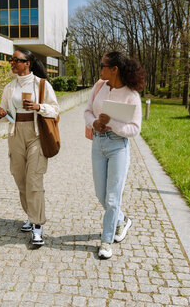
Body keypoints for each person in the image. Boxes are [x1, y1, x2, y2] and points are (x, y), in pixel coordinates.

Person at [0, 49, 59, 246]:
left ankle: (38, 225)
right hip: (15, 133)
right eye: (11, 60)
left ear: (28, 63)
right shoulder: (9, 87)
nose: (12, 63)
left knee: (34, 179)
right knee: (20, 178)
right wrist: (1, 113)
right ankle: (30, 215)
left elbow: (55, 109)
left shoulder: (41, 84)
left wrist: (38, 107)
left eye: (16, 60)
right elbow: (4, 113)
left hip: (36, 134)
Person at [84, 51, 145, 259]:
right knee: (101, 194)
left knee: (112, 197)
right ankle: (122, 220)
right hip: (98, 144)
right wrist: (95, 123)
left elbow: (135, 129)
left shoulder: (131, 95)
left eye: (103, 66)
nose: (100, 69)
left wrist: (110, 123)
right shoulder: (99, 86)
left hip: (118, 146)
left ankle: (106, 241)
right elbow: (87, 112)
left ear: (114, 69)